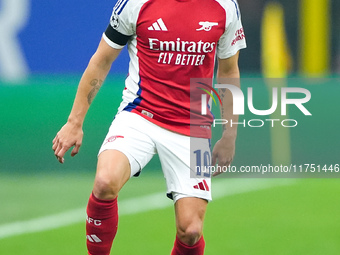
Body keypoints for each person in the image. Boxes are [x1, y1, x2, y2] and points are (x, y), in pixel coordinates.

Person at [52, 0, 246, 254]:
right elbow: (101, 60)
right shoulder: (135, 3)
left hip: (195, 126)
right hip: (139, 115)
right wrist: (74, 122)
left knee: (191, 231)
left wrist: (229, 135)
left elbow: (229, 72)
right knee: (104, 181)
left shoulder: (225, 7)